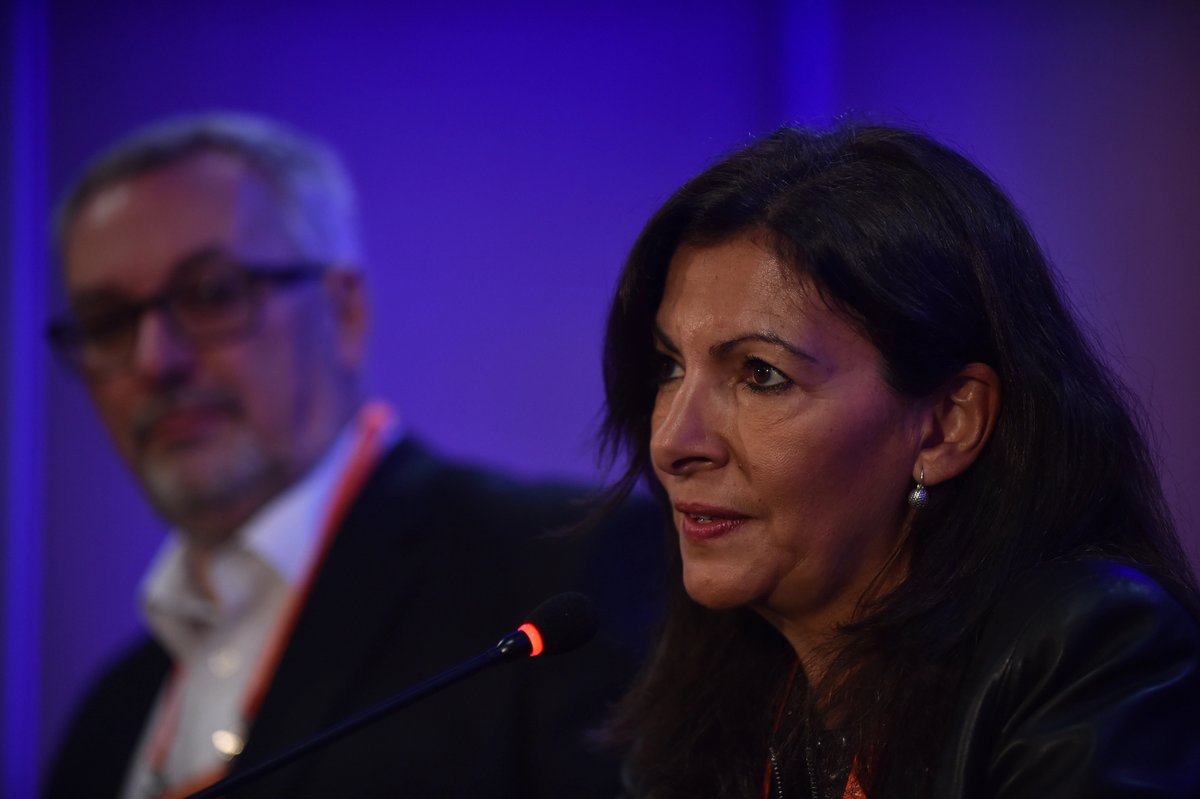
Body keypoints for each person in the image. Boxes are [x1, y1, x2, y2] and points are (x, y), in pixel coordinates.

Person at [43, 113, 660, 799]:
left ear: (345, 313)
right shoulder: (105, 720)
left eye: (211, 294)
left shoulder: (561, 576)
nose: (156, 359)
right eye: (107, 323)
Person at [598, 124, 1200, 797]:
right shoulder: (707, 706)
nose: (674, 442)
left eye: (761, 375)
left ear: (946, 425)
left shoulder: (1086, 652)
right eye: (668, 367)